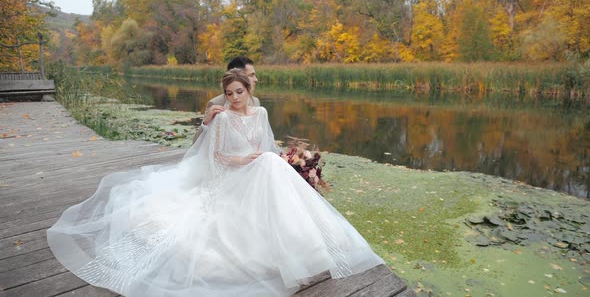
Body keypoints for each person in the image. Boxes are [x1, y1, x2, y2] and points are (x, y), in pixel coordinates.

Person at [47, 69, 384, 297]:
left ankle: (306, 245)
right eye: (228, 93)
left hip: (259, 167)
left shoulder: (262, 112)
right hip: (234, 173)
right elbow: (219, 157)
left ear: (249, 90)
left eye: (239, 92)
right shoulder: (222, 117)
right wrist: (245, 160)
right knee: (264, 165)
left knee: (270, 163)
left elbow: (267, 146)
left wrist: (291, 159)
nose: (234, 98)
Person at [192, 56, 259, 143]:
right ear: (238, 76)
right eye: (251, 75)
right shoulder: (216, 103)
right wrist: (205, 123)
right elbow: (196, 143)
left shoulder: (255, 102)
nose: (256, 79)